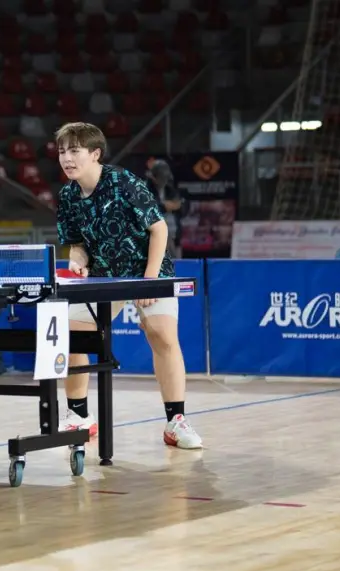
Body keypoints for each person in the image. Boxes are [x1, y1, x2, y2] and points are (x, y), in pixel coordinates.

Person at [52, 122, 203, 450]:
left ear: (95, 154)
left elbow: (159, 230)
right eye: (62, 151)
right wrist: (76, 259)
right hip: (104, 277)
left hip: (149, 270)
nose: (67, 158)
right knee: (73, 335)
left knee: (162, 336)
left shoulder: (122, 182)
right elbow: (76, 242)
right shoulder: (67, 195)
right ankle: (79, 416)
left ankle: (175, 422)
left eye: (74, 151)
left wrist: (148, 282)